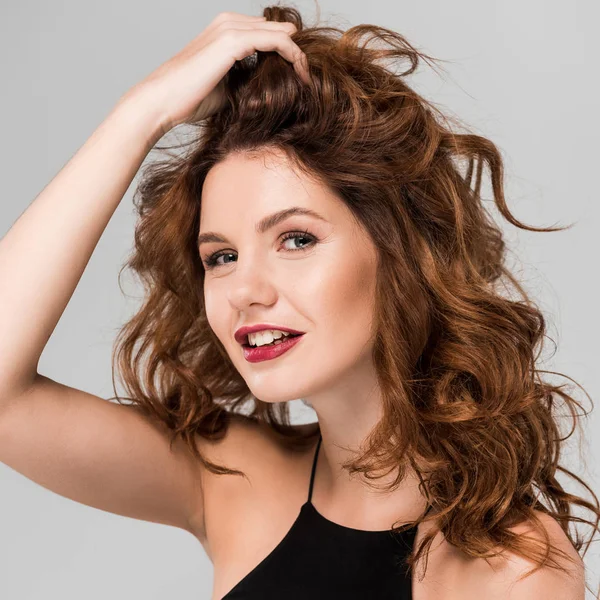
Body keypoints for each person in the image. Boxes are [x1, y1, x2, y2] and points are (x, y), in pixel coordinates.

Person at [0, 5, 595, 599]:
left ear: (402, 253)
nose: (245, 292)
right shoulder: (233, 479)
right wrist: (143, 113)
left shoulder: (509, 570)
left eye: (296, 239)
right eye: (221, 256)